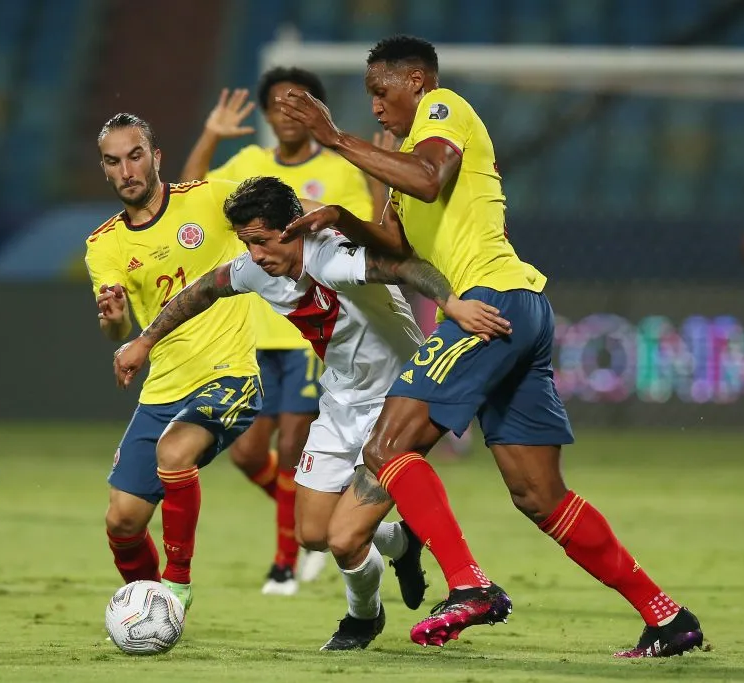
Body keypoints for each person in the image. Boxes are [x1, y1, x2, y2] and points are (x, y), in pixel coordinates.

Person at [278, 34, 703, 657]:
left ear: (417, 80)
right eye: (368, 96)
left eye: (381, 91)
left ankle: (469, 584)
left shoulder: (444, 109)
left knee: (388, 444)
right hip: (517, 311)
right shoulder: (407, 157)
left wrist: (336, 138)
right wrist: (341, 218)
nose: (375, 106)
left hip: (490, 304)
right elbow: (395, 243)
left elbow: (428, 180)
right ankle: (667, 617)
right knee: (540, 496)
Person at [114, 176, 512, 650]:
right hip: (340, 402)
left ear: (294, 228)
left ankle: (362, 620)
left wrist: (452, 304)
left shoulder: (334, 258)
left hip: (400, 400)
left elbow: (404, 267)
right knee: (313, 533)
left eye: (262, 241)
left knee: (345, 541)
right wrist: (145, 339)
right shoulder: (256, 269)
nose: (256, 254)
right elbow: (204, 289)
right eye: (247, 243)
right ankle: (402, 542)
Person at [180, 68, 377, 593]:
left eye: (299, 104)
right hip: (255, 331)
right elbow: (192, 194)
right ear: (266, 115)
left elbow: (365, 230)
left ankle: (285, 563)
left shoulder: (338, 169)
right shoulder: (248, 167)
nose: (287, 115)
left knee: (293, 445)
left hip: (312, 333)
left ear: (315, 111)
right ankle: (322, 515)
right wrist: (213, 135)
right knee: (246, 453)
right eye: (278, 105)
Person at [86, 112, 261, 612]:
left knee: (175, 455)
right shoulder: (104, 244)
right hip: (163, 388)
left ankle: (176, 588)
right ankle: (146, 610)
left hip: (229, 373)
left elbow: (283, 213)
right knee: (121, 521)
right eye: (113, 161)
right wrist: (114, 318)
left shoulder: (209, 198)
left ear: (156, 157)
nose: (126, 170)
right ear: (105, 169)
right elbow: (117, 332)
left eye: (135, 155)